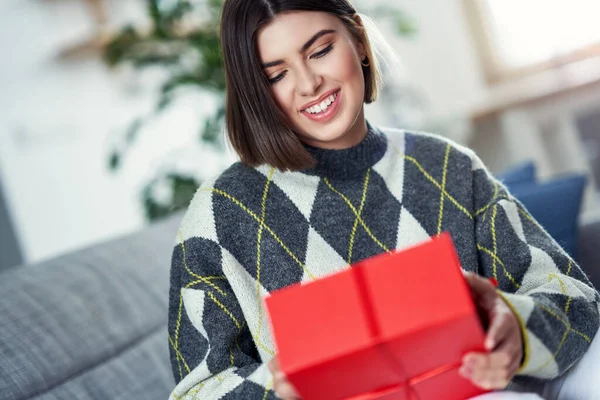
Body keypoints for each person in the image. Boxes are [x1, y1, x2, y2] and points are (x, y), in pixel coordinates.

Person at [167, 0, 600, 399]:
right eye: (276, 75)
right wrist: (279, 384)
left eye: (319, 51)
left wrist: (516, 325)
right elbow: (195, 391)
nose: (308, 82)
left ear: (358, 40)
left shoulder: (445, 164)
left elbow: (574, 294)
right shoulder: (220, 214)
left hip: (498, 384)